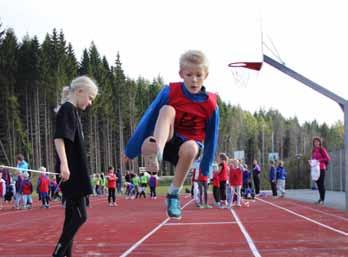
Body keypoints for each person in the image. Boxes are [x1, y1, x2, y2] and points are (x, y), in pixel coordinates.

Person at [124, 50, 219, 219]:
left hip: (188, 147)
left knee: (190, 147)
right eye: (189, 75)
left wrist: (205, 169)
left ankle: (173, 194)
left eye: (199, 75)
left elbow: (212, 136)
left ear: (206, 76)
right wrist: (131, 149)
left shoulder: (211, 104)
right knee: (167, 109)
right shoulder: (170, 91)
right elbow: (150, 115)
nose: (194, 79)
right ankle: (156, 152)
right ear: (181, 73)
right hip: (168, 138)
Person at [52, 75, 98, 257]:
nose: (91, 102)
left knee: (71, 217)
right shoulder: (68, 109)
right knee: (80, 216)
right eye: (90, 97)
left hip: (74, 172)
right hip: (72, 173)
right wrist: (64, 164)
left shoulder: (72, 111)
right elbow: (59, 137)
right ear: (79, 92)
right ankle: (57, 254)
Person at [310, 137, 330, 205]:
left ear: (319, 142)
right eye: (314, 142)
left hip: (321, 168)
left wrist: (319, 160)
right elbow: (313, 159)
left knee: (321, 184)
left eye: (317, 141)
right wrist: (311, 162)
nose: (316, 143)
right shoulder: (313, 150)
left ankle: (322, 200)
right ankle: (320, 198)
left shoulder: (322, 149)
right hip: (315, 169)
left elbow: (327, 158)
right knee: (318, 184)